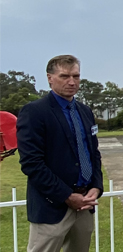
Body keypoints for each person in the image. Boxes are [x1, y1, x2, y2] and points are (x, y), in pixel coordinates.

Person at [16, 55, 103, 252]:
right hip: (52, 207)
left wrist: (96, 186)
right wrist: (67, 196)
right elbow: (31, 163)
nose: (72, 82)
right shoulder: (35, 112)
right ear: (49, 78)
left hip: (84, 205)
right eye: (64, 76)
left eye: (76, 76)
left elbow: (93, 153)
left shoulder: (85, 111)